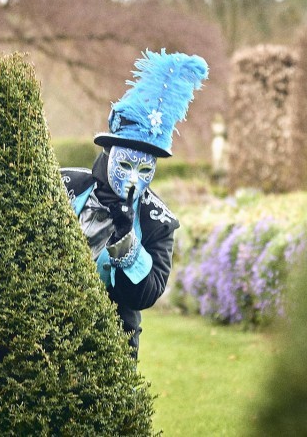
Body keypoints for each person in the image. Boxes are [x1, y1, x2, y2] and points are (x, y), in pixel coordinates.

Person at [60, 49, 208, 359]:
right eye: (125, 165)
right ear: (108, 153)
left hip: (110, 346)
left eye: (144, 170)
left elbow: (147, 294)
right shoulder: (64, 186)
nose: (132, 179)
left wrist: (127, 242)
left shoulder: (157, 221)